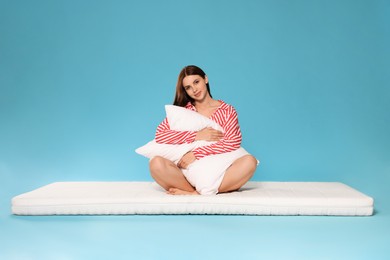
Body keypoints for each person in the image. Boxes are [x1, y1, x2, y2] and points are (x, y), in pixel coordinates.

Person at [149, 65, 258, 195]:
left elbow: (233, 141)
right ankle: (196, 191)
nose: (194, 89)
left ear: (205, 79)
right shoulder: (183, 111)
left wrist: (197, 154)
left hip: (219, 170)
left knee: (250, 161)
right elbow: (161, 135)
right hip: (186, 171)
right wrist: (197, 135)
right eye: (188, 87)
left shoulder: (227, 111)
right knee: (156, 163)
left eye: (196, 82)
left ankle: (195, 193)